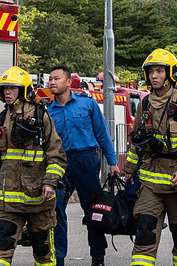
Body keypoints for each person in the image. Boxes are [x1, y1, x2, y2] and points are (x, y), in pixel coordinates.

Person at [0, 66, 66, 266]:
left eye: (12, 88)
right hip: (6, 202)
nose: (7, 92)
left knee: (44, 255)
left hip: (38, 202)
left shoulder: (41, 116)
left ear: (24, 90)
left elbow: (57, 154)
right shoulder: (0, 120)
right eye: (5, 88)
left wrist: (50, 183)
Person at [123, 48, 177, 266]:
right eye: (151, 72)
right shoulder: (145, 104)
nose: (154, 76)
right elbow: (136, 140)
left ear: (170, 74)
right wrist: (129, 170)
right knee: (144, 234)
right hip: (150, 183)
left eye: (159, 71)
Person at [47, 65, 121, 266]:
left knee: (94, 210)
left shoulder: (87, 104)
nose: (52, 82)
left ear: (69, 82)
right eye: (50, 79)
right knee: (55, 209)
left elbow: (103, 134)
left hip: (86, 160)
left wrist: (112, 162)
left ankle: (98, 254)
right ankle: (58, 256)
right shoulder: (47, 111)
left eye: (56, 78)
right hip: (59, 163)